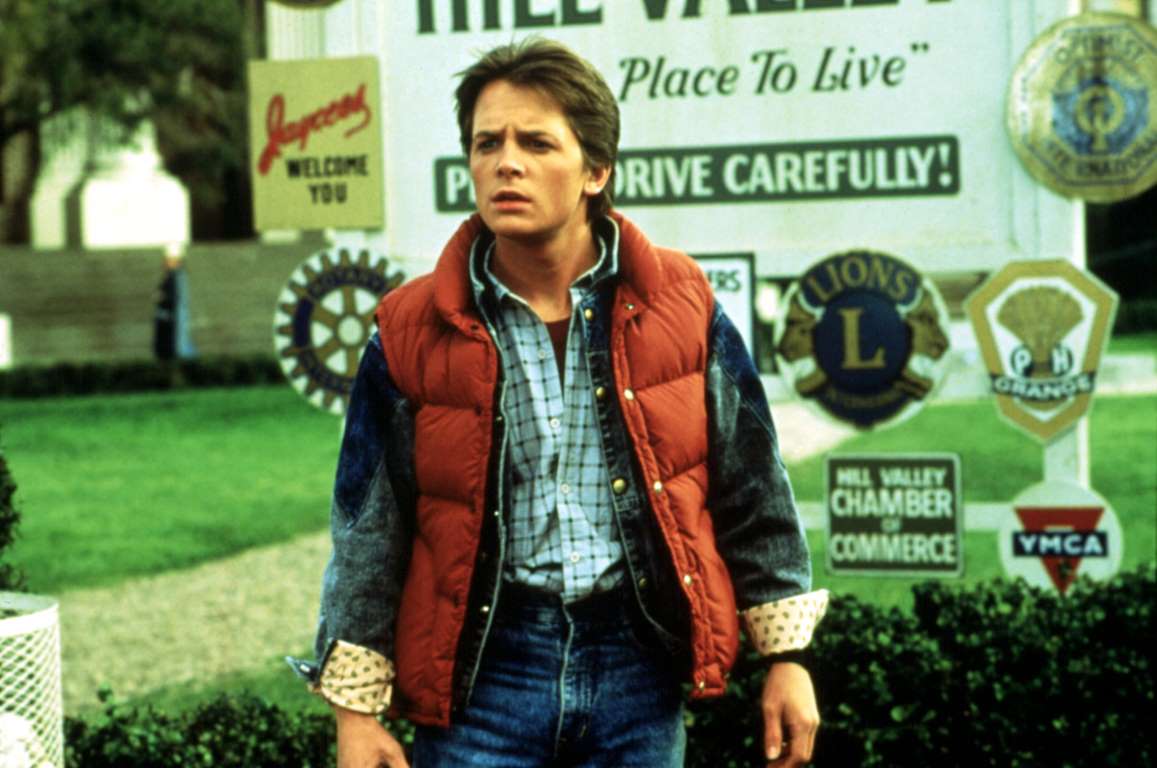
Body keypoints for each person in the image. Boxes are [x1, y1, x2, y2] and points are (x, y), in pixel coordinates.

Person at [290, 38, 829, 768]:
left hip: (637, 673)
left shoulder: (682, 304)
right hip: (482, 682)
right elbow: (368, 528)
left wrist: (788, 659)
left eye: (536, 143)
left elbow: (753, 486)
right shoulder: (410, 327)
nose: (505, 163)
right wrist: (354, 712)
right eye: (487, 143)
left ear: (595, 171)